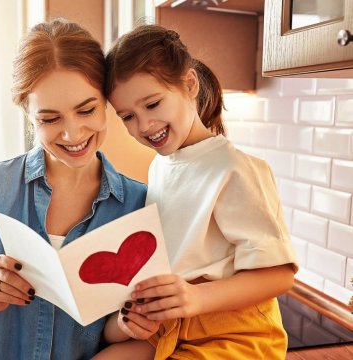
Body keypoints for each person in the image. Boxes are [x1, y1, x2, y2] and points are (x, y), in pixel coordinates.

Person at [0, 19, 149, 360]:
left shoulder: (138, 205)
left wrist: (134, 322)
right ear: (27, 113)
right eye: (49, 119)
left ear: (106, 99)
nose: (73, 133)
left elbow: (138, 337)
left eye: (87, 109)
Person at [101, 24, 299, 359]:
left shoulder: (235, 168)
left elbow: (279, 276)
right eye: (128, 116)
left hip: (236, 333)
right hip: (173, 325)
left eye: (152, 104)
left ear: (189, 85)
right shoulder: (160, 167)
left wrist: (195, 298)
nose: (144, 125)